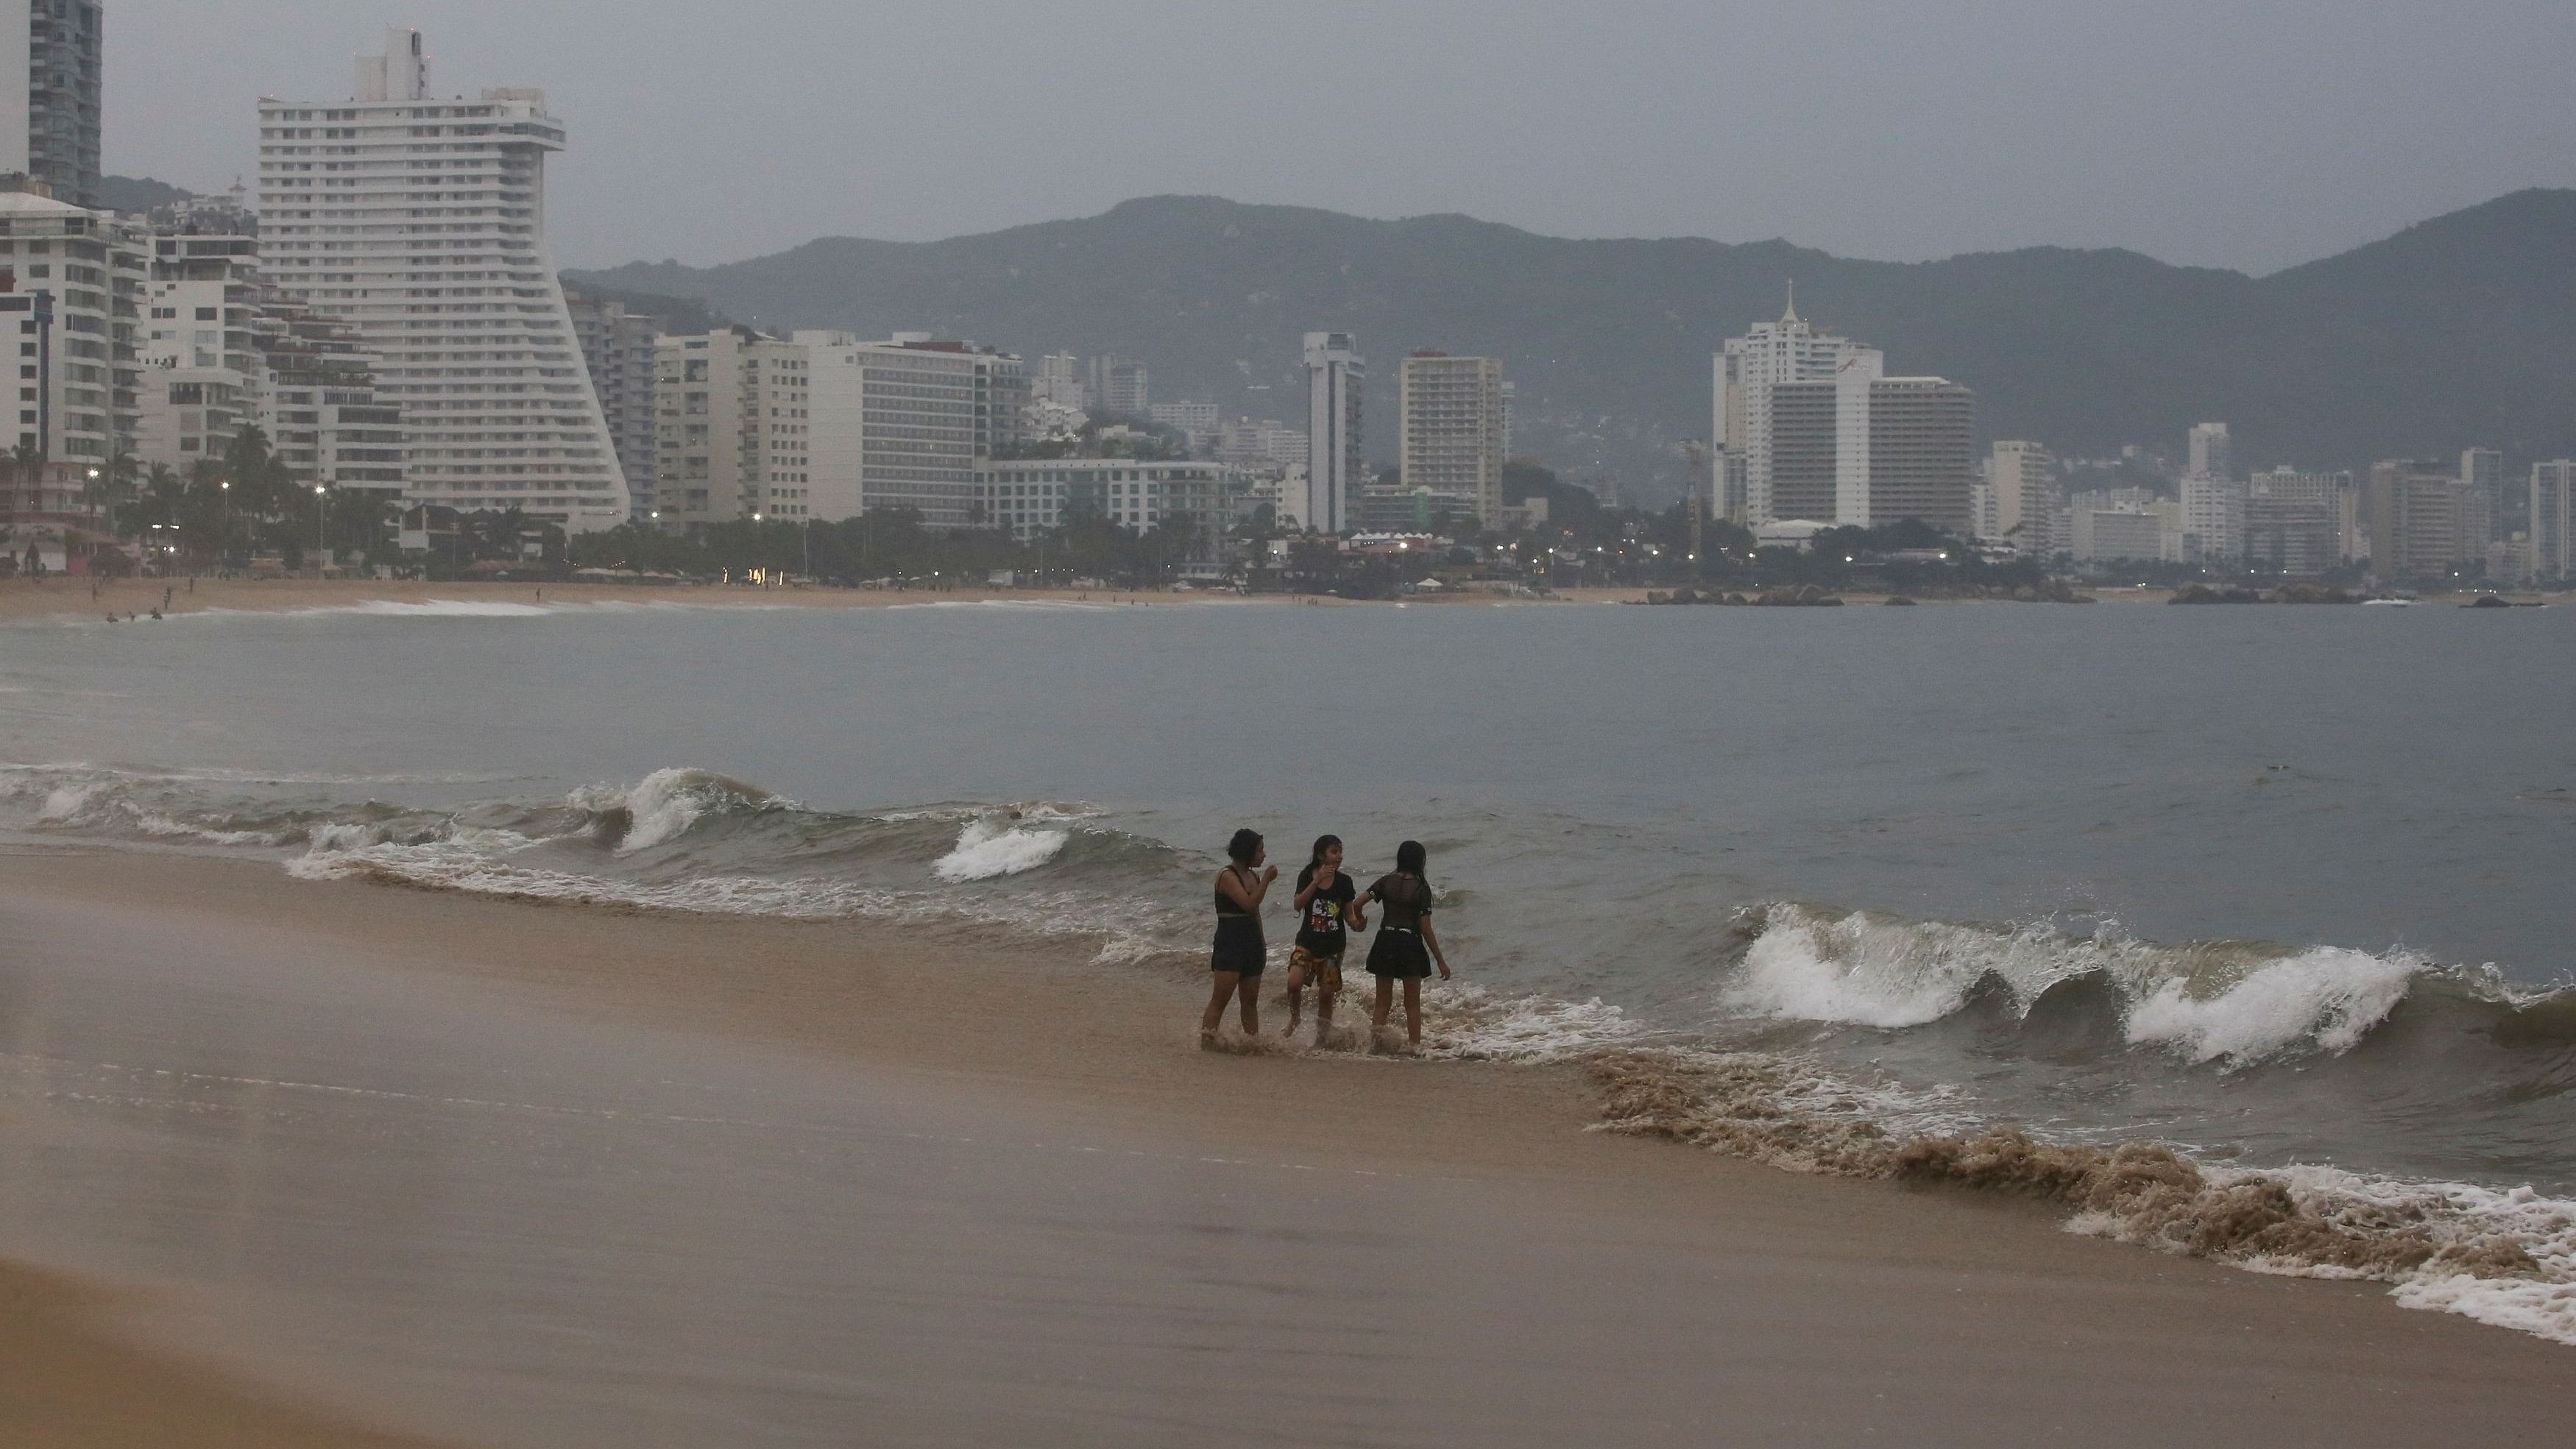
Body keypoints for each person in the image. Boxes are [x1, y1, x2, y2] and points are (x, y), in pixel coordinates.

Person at [1351, 840, 1451, 1049]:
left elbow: (1357, 903)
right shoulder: (1421, 889)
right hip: (1409, 943)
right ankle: (1415, 1048)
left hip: (1385, 940)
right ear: (1420, 862)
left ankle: (1375, 1046)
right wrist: (1441, 961)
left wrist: (1360, 920)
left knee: (1382, 1003)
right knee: (1412, 1004)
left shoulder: (1385, 882)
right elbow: (1425, 928)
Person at [1200, 828, 1275, 1045]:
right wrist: (1268, 881)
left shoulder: (1253, 876)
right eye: (1260, 850)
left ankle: (1253, 1043)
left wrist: (1262, 946)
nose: (1264, 854)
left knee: (1250, 1002)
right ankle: (1207, 1042)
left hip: (1251, 942)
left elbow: (1256, 914)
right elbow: (1249, 904)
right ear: (1247, 851)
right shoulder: (1227, 876)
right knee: (1220, 999)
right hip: (1230, 942)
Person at [1283, 835, 1355, 1041]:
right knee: (1294, 983)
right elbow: (1297, 905)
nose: (1339, 856)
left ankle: (1321, 1039)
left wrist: (1357, 924)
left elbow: (1349, 914)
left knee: (1325, 995)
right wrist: (1316, 882)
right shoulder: (1307, 875)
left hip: (1333, 946)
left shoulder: (1344, 882)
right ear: (1321, 855)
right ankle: (1295, 1019)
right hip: (1307, 942)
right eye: (1334, 851)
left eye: (1340, 851)